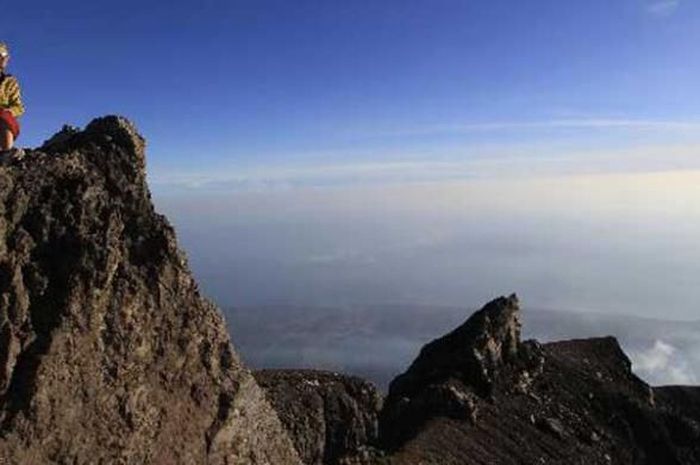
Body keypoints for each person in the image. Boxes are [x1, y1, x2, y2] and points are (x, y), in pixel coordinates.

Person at [0, 41, 25, 160]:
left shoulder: (10, 82)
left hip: (3, 120)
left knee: (3, 116)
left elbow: (18, 107)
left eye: (3, 56)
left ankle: (6, 154)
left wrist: (8, 111)